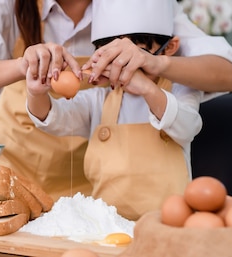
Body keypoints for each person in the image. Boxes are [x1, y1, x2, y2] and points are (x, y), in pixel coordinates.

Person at [0, 0, 232, 201]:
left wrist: (155, 65)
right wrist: (25, 67)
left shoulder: (138, 7)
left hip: (92, 183)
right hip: (13, 161)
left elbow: (226, 73)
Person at [26, 0, 200, 220]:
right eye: (111, 57)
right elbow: (54, 118)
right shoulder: (100, 99)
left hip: (166, 225)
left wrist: (147, 89)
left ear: (170, 48)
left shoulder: (180, 89)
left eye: (135, 55)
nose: (121, 65)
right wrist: (36, 93)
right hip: (107, 229)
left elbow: (188, 127)